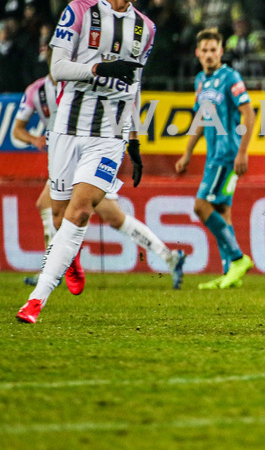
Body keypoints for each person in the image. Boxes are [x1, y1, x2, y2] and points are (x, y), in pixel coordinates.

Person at [17, 0, 157, 324]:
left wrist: (134, 139)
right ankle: (70, 259)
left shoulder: (145, 28)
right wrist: (99, 67)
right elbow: (57, 68)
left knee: (80, 214)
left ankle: (35, 301)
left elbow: (135, 86)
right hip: (66, 130)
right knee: (61, 217)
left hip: (108, 135)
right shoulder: (78, 12)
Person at [14, 65, 185, 290]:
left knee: (106, 215)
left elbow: (127, 103)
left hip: (92, 152)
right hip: (69, 156)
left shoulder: (86, 81)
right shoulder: (37, 91)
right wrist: (36, 139)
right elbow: (17, 129)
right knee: (63, 207)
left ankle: (53, 268)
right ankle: (169, 256)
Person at [174, 28, 256, 289]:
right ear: (198, 53)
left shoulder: (230, 77)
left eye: (213, 50)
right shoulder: (200, 80)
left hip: (227, 154)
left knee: (201, 206)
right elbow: (200, 119)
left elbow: (249, 114)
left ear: (221, 51)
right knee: (222, 211)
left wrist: (242, 151)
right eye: (205, 51)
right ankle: (229, 273)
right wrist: (187, 152)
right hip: (214, 155)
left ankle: (237, 258)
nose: (209, 55)